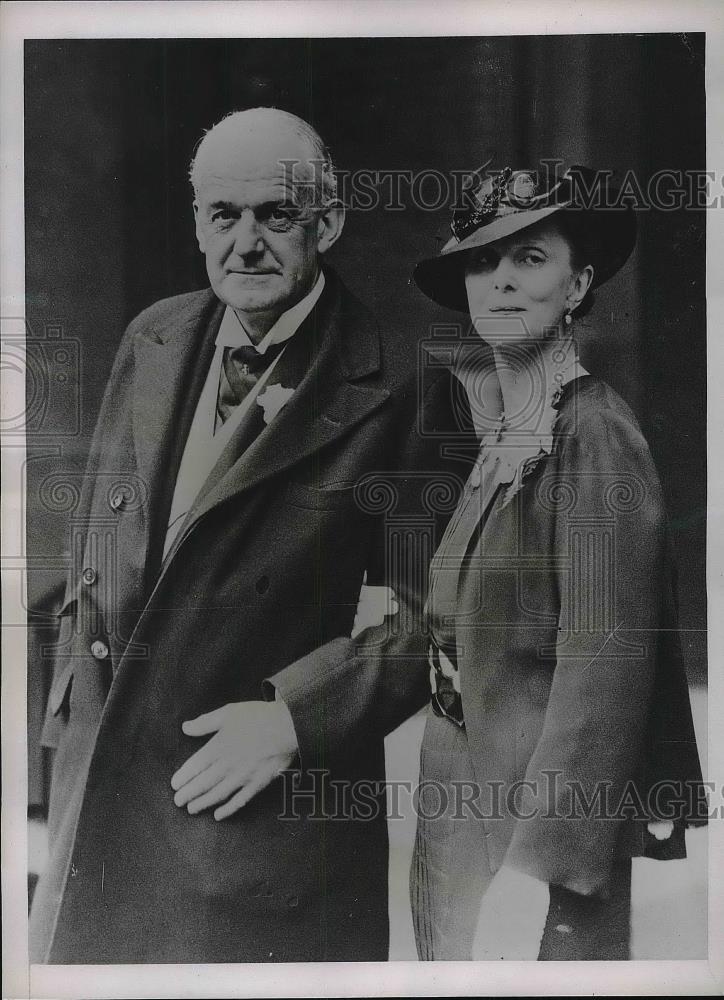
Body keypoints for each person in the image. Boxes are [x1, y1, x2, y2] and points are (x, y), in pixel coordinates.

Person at [29, 107, 465, 963]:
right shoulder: (150, 338)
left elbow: (436, 618)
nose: (247, 243)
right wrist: (66, 735)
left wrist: (296, 720)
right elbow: (95, 545)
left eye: (277, 215)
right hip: (103, 797)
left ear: (328, 223)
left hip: (258, 817)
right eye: (223, 216)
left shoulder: (405, 386)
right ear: (197, 223)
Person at [408, 162, 705, 960]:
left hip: (533, 841)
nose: (501, 280)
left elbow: (604, 665)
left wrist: (539, 868)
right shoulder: (501, 437)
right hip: (454, 811)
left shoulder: (593, 433)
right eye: (481, 260)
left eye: (529, 259)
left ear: (577, 286)